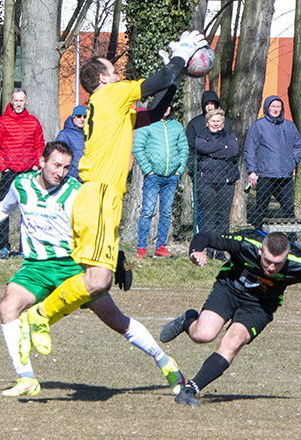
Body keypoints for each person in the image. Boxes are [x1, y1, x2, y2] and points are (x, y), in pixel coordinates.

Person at [0, 141, 186, 397]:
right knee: (7, 307)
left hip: (74, 267)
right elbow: (4, 208)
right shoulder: (21, 186)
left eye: (67, 167)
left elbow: (100, 226)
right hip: (36, 267)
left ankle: (166, 363)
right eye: (56, 165)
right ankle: (26, 378)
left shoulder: (77, 192)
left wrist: (119, 258)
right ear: (42, 162)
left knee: (117, 321)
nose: (61, 172)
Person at [24, 31, 208, 356]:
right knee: (98, 282)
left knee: (96, 282)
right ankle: (41, 314)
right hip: (98, 195)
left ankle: (44, 311)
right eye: (113, 70)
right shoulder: (110, 95)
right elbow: (156, 81)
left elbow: (153, 113)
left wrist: (175, 79)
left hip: (101, 197)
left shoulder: (110, 107)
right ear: (102, 79)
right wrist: (180, 56)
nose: (119, 74)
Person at [160, 230, 301, 406]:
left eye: (278, 263)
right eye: (267, 260)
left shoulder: (298, 263)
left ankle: (189, 390)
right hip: (228, 289)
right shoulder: (246, 242)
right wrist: (195, 251)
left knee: (235, 340)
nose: (271, 268)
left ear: (287, 256)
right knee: (203, 335)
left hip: (260, 306)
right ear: (260, 250)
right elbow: (205, 236)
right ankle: (188, 320)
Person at [0, 88, 45, 259]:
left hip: (29, 173)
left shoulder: (34, 122)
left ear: (26, 101)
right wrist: (2, 165)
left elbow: (40, 145)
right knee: (5, 209)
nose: (18, 103)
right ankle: (4, 246)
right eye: (16, 100)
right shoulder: (2, 122)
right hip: (9, 172)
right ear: (11, 101)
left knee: (28, 210)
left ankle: (24, 247)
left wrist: (37, 165)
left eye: (21, 100)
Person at [133, 99, 188, 259]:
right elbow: (137, 148)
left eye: (168, 104)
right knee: (147, 212)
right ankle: (141, 248)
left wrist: (179, 170)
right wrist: (148, 170)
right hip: (153, 177)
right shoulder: (146, 124)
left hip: (171, 177)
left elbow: (184, 148)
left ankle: (161, 247)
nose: (166, 107)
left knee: (166, 213)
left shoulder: (176, 126)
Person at [245, 95, 301, 243]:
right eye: (273, 106)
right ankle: (257, 237)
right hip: (265, 175)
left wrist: (293, 162)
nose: (276, 109)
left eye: (278, 106)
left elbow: (298, 145)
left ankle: (293, 240)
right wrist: (251, 170)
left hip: (285, 176)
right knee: (261, 209)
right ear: (267, 108)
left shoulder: (289, 126)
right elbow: (250, 149)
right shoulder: (258, 126)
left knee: (289, 210)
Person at [194, 108, 239, 261]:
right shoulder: (202, 136)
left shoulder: (230, 136)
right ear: (208, 122)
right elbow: (201, 147)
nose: (216, 123)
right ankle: (208, 250)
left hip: (226, 183)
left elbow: (233, 151)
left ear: (223, 122)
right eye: (213, 121)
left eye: (218, 121)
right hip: (206, 182)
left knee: (223, 218)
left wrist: (212, 152)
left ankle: (221, 251)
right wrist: (221, 148)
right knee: (208, 217)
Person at [185, 89, 234, 177]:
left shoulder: (227, 123)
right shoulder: (194, 123)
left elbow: (232, 147)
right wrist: (193, 168)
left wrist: (231, 170)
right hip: (201, 170)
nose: (210, 107)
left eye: (212, 103)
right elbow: (190, 147)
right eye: (207, 104)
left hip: (224, 170)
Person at [56, 105, 87, 180]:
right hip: (72, 177)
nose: (82, 119)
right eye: (79, 116)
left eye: (85, 116)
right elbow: (60, 156)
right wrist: (73, 174)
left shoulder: (90, 134)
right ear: (73, 117)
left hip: (88, 175)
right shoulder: (64, 134)